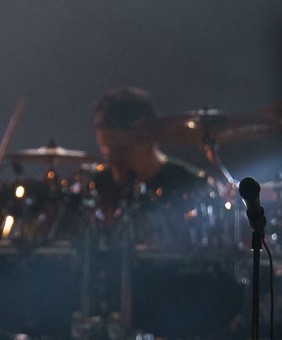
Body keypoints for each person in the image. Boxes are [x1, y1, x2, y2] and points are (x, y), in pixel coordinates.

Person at [89, 86, 214, 244]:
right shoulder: (98, 184)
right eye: (105, 149)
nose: (111, 160)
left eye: (120, 150)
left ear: (148, 140)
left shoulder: (190, 183)